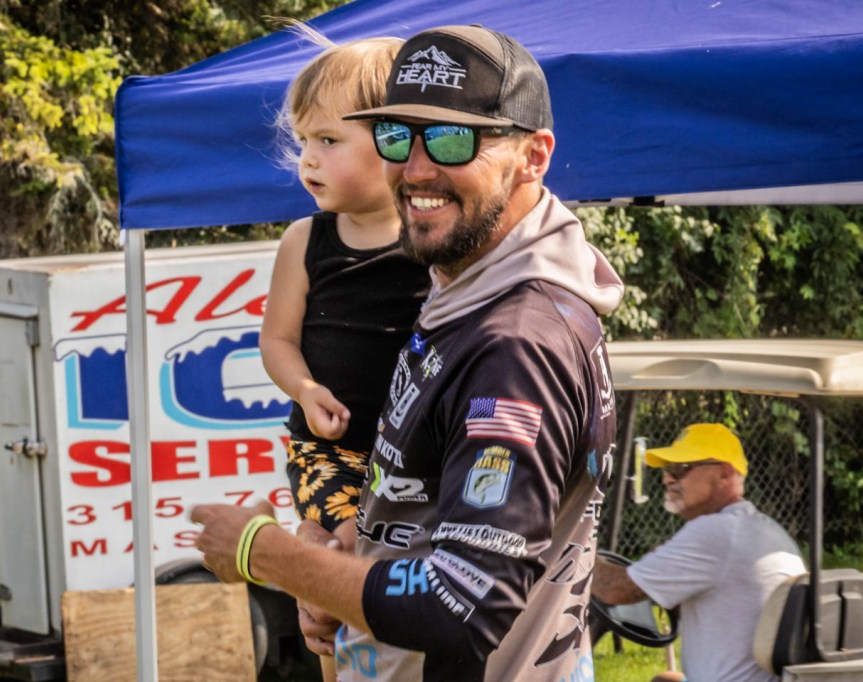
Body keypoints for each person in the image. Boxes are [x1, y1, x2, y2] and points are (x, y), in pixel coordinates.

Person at [193, 24, 625, 680]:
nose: (417, 169)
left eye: (452, 139)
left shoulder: (516, 345)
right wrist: (338, 574)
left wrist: (265, 552)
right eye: (397, 136)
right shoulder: (463, 291)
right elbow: (422, 510)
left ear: (533, 157)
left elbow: (463, 603)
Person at [262, 33, 430, 550]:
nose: (307, 160)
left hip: (424, 455)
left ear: (395, 142)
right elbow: (277, 340)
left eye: (328, 141)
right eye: (303, 140)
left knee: (419, 553)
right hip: (330, 455)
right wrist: (305, 390)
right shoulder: (304, 241)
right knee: (357, 545)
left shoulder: (436, 239)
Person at [591, 423, 807, 682]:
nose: (668, 479)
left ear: (724, 474)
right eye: (668, 470)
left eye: (681, 469)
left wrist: (575, 550)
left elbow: (615, 590)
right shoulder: (761, 528)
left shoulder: (716, 532)